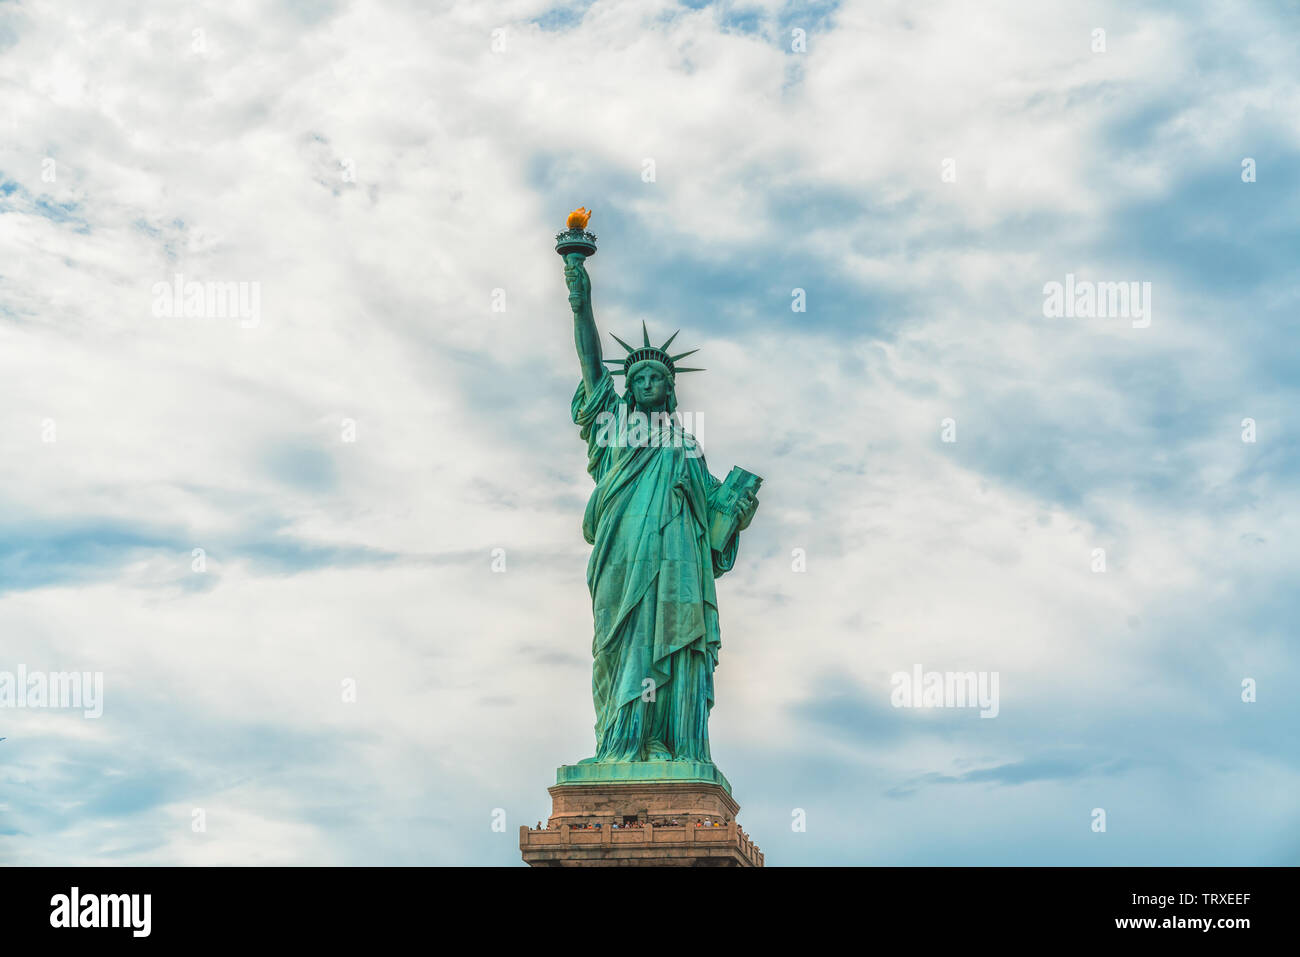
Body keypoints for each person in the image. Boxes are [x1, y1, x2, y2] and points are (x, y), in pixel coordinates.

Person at [563, 257, 759, 765]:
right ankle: (621, 742)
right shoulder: (612, 430)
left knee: (668, 645)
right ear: (628, 388)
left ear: (670, 390)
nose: (648, 382)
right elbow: (588, 357)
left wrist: (736, 508)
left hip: (677, 565)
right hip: (622, 555)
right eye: (640, 376)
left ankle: (668, 742)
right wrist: (577, 285)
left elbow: (712, 516)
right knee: (621, 643)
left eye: (657, 377)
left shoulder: (686, 446)